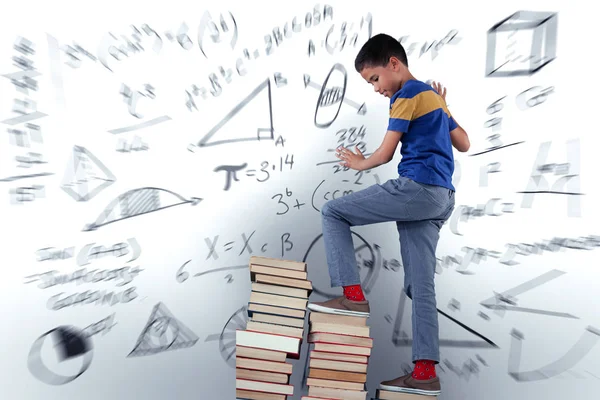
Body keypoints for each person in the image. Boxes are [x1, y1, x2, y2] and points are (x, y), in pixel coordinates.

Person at [306, 33, 470, 396]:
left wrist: (359, 162)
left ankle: (352, 294)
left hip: (418, 189)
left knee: (333, 212)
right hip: (441, 198)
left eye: (375, 79)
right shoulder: (432, 97)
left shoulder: (407, 95)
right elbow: (465, 143)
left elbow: (384, 154)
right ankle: (425, 371)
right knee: (421, 286)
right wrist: (445, 107)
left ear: (393, 63)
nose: (376, 89)